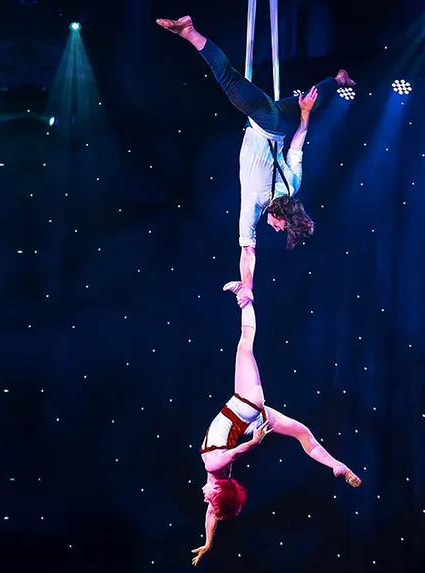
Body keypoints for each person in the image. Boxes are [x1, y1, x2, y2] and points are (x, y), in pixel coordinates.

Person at [156, 16, 356, 306]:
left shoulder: (293, 186)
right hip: (264, 118)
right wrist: (247, 287)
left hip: (286, 122)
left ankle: (338, 80)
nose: (275, 229)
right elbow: (248, 251)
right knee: (227, 75)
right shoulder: (254, 204)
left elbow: (299, 141)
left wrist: (305, 112)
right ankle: (189, 30)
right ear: (281, 217)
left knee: (313, 97)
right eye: (280, 227)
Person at [189, 281, 362, 566]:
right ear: (220, 491)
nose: (205, 498)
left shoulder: (217, 482)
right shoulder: (213, 467)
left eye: (209, 501)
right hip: (247, 406)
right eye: (211, 499)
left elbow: (213, 514)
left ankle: (337, 466)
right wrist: (252, 443)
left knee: (303, 434)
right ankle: (245, 297)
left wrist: (208, 542)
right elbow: (234, 453)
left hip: (252, 418)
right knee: (245, 345)